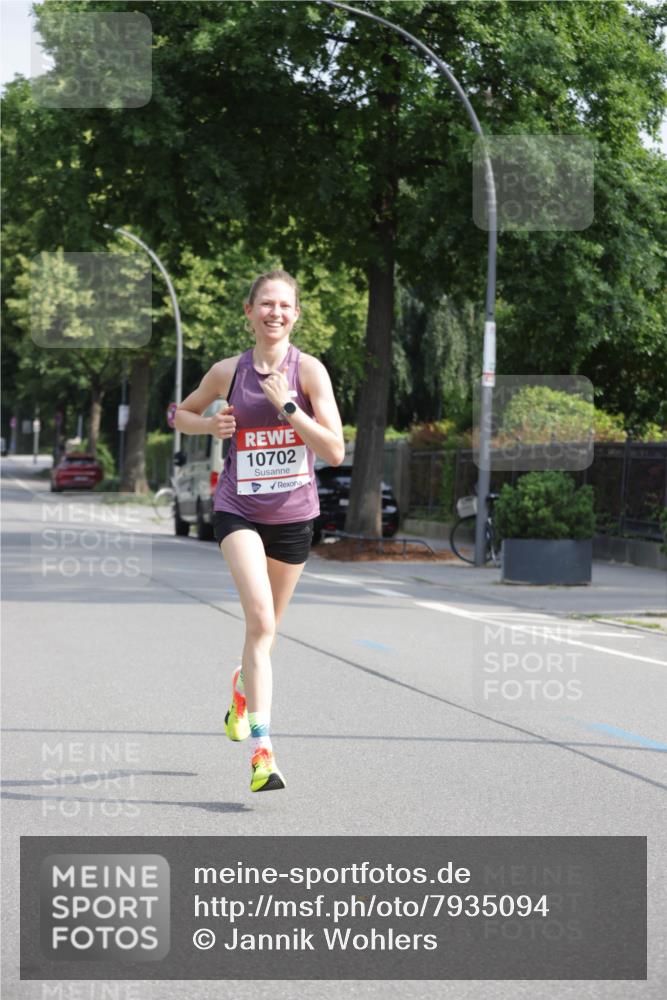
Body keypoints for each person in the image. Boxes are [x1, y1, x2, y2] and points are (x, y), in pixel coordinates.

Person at [174, 270, 345, 792]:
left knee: (263, 639)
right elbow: (180, 413)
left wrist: (288, 406)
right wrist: (210, 425)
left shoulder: (310, 372)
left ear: (296, 315)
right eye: (265, 304)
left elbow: (334, 451)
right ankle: (263, 754)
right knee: (261, 621)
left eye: (284, 306)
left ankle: (241, 694)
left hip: (294, 517)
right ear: (248, 312)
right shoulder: (228, 371)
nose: (275, 312)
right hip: (238, 510)